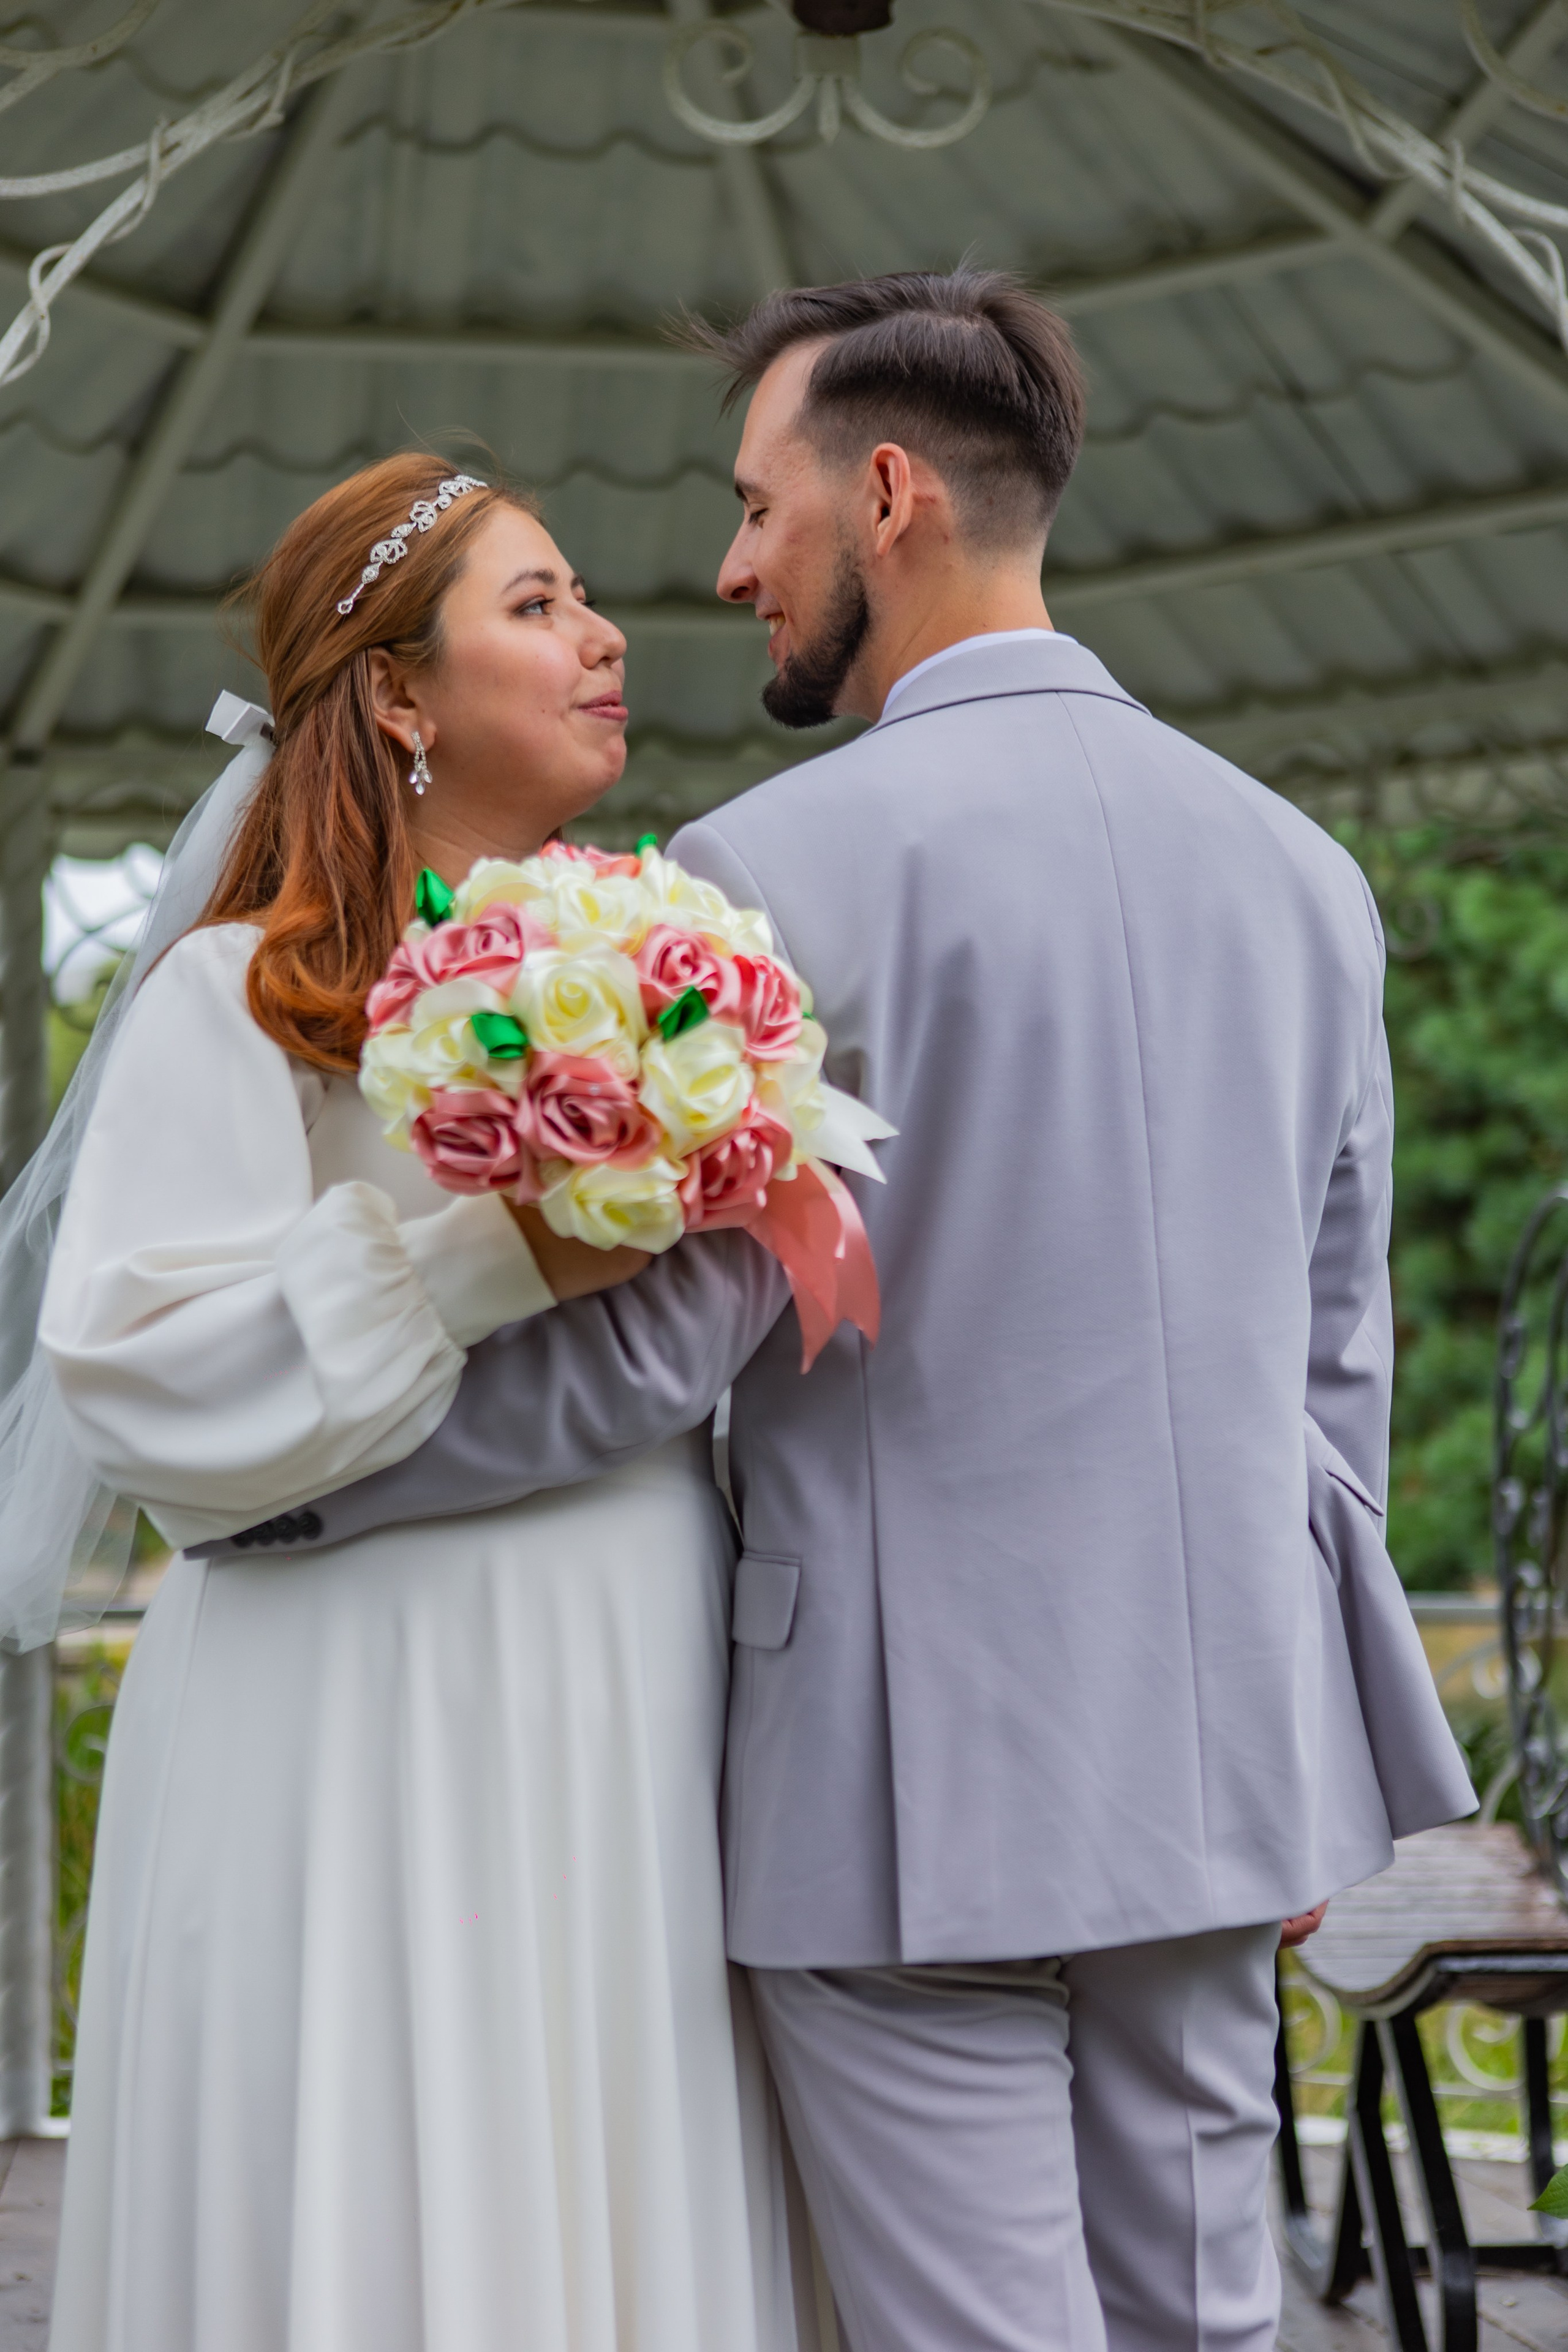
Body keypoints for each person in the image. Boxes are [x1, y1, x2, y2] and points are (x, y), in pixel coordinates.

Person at [198, 273, 1477, 2352]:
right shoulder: (1302, 872)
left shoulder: (783, 864)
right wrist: (1299, 1721)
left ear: (886, 496)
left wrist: (293, 1488)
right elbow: (1337, 1354)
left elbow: (654, 1350)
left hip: (904, 1772)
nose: (726, 570)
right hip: (1228, 1751)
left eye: (756, 510)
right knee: (1206, 2317)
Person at [36, 454, 809, 2352]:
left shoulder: (672, 964)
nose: (608, 633)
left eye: (583, 598)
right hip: (346, 1712)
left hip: (628, 1681)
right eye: (536, 605)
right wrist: (495, 1261)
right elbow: (138, 1377)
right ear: (398, 692)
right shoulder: (240, 996)